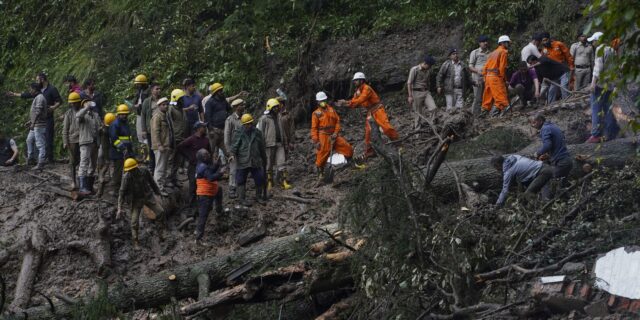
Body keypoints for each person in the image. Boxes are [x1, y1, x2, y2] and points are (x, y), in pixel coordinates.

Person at [337, 72, 399, 159]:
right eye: (354, 81)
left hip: (377, 109)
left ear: (362, 80)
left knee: (386, 127)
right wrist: (345, 103)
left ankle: (397, 143)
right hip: (370, 112)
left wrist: (347, 103)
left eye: (356, 80)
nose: (354, 82)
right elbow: (354, 103)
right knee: (368, 133)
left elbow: (361, 100)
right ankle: (370, 152)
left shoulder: (367, 88)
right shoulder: (358, 91)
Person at [116, 158, 166, 249]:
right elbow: (121, 193)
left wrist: (158, 193)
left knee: (161, 212)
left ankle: (160, 233)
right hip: (135, 200)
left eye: (132, 170)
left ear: (136, 168)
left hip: (147, 196)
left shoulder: (144, 171)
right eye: (129, 170)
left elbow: (152, 182)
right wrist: (119, 208)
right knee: (134, 222)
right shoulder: (126, 177)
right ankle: (136, 241)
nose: (131, 172)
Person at [311, 92, 357, 184]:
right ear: (318, 102)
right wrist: (316, 141)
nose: (323, 102)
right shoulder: (316, 113)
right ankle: (321, 174)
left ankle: (349, 164)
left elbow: (337, 122)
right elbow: (314, 128)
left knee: (347, 148)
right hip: (323, 135)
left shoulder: (331, 110)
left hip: (333, 135)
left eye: (324, 100)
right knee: (322, 154)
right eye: (321, 101)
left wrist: (336, 133)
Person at [586, 32, 620, 143]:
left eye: (594, 41)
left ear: (598, 40)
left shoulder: (600, 49)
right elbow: (616, 69)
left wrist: (593, 83)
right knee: (608, 108)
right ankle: (610, 133)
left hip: (600, 85)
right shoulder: (612, 50)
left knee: (596, 108)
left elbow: (598, 68)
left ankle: (595, 134)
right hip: (609, 85)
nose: (593, 43)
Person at [230, 114, 268, 207]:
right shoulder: (238, 132)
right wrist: (232, 155)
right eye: (247, 124)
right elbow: (234, 146)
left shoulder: (257, 132)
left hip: (255, 159)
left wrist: (264, 158)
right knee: (241, 179)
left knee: (259, 178)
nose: (249, 126)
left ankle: (258, 197)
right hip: (243, 160)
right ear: (243, 124)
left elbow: (261, 147)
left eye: (250, 123)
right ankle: (241, 199)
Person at [257, 98, 293, 190]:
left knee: (282, 163)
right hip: (269, 144)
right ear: (270, 108)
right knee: (268, 164)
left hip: (279, 143)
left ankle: (284, 182)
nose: (276, 109)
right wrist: (261, 145)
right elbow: (261, 133)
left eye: (277, 107)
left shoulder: (279, 117)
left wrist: (285, 142)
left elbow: (283, 131)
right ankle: (269, 182)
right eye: (274, 107)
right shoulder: (264, 119)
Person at [194, 148, 224, 245]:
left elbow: (210, 170)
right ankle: (198, 238)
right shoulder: (202, 167)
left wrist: (217, 164)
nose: (209, 156)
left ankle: (219, 211)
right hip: (205, 195)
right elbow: (210, 177)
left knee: (220, 190)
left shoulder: (202, 165)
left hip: (211, 192)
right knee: (203, 216)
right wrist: (221, 173)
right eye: (206, 155)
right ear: (202, 157)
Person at [529, 114, 573, 179]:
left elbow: (547, 145)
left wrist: (537, 153)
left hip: (561, 162)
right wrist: (548, 155)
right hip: (567, 160)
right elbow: (556, 144)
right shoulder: (552, 126)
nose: (533, 125)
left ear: (540, 121)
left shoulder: (545, 128)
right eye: (531, 123)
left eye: (534, 123)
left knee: (547, 179)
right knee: (561, 184)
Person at [177, 121, 211, 203]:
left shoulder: (206, 140)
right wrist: (188, 157)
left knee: (203, 186)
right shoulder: (191, 139)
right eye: (204, 127)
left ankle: (203, 204)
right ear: (198, 129)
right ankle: (191, 207)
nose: (205, 128)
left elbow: (210, 152)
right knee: (193, 186)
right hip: (193, 166)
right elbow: (180, 147)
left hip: (204, 167)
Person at [482, 35, 511, 117]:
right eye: (507, 42)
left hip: (488, 76)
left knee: (488, 96)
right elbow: (502, 67)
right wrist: (503, 78)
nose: (508, 44)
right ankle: (495, 115)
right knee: (501, 96)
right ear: (502, 43)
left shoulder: (493, 52)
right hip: (495, 77)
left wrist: (485, 76)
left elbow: (485, 66)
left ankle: (484, 112)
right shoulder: (503, 52)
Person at [76, 99, 101, 195]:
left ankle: (89, 187)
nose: (90, 103)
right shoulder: (82, 114)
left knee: (93, 165)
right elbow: (78, 116)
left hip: (95, 143)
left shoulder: (95, 115)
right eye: (87, 102)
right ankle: (82, 187)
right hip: (85, 142)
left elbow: (98, 127)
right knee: (84, 163)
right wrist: (86, 108)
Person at [540, 32, 574, 101]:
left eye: (546, 40)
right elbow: (544, 63)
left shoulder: (559, 44)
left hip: (563, 70)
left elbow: (568, 56)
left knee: (564, 87)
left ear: (549, 39)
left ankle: (567, 103)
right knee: (552, 90)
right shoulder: (544, 50)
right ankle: (550, 106)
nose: (545, 42)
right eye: (543, 41)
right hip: (554, 73)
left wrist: (571, 66)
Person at [109, 104, 135, 193]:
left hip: (127, 151)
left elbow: (128, 138)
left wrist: (130, 150)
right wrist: (123, 148)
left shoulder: (126, 123)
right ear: (118, 114)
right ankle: (115, 189)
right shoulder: (115, 124)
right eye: (122, 114)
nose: (124, 116)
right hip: (118, 152)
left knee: (128, 170)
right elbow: (114, 139)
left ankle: (125, 188)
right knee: (118, 171)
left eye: (126, 114)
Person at [407, 55, 437, 128]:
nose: (430, 67)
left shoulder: (428, 71)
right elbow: (409, 83)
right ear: (425, 63)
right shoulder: (415, 69)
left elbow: (428, 82)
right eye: (429, 65)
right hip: (416, 93)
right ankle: (417, 132)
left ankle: (432, 126)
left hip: (426, 92)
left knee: (433, 108)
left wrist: (428, 91)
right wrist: (410, 96)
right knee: (418, 113)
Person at [224, 99, 246, 199]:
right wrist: (229, 151)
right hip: (234, 148)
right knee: (233, 169)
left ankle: (240, 187)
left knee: (242, 168)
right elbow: (227, 136)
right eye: (241, 105)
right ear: (236, 107)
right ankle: (232, 189)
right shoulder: (230, 120)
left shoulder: (245, 118)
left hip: (244, 148)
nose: (243, 106)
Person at [168, 89, 188, 188]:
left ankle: (174, 179)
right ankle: (168, 180)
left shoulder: (181, 109)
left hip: (181, 138)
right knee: (171, 160)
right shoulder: (170, 109)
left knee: (178, 161)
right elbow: (168, 125)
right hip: (174, 139)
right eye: (181, 98)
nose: (183, 100)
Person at [151, 97, 172, 194]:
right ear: (159, 106)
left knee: (164, 167)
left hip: (166, 145)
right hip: (160, 146)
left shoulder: (165, 115)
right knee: (159, 168)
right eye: (163, 105)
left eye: (167, 104)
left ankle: (162, 186)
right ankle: (158, 188)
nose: (166, 106)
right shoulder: (157, 116)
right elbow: (156, 132)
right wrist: (159, 145)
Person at [62, 92, 82, 189]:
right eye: (72, 103)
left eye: (75, 103)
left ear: (79, 102)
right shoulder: (68, 113)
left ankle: (81, 181)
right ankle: (73, 181)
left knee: (82, 161)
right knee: (73, 161)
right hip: (72, 140)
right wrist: (65, 141)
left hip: (83, 140)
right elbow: (65, 129)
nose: (73, 104)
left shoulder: (83, 111)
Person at [140, 83, 161, 173]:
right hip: (150, 130)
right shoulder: (147, 102)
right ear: (152, 90)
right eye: (157, 89)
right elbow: (143, 115)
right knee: (152, 149)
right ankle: (152, 169)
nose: (159, 90)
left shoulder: (162, 100)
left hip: (162, 129)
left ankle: (159, 169)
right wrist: (144, 130)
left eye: (160, 89)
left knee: (161, 149)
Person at [27, 82, 48, 170]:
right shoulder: (37, 97)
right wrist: (30, 121)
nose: (30, 91)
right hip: (36, 124)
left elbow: (38, 112)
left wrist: (33, 123)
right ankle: (31, 159)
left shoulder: (40, 97)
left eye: (31, 89)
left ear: (35, 89)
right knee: (29, 140)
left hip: (39, 125)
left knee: (40, 144)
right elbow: (36, 112)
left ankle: (41, 163)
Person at [469, 36, 491, 115]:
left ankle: (483, 114)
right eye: (483, 41)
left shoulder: (490, 53)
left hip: (487, 77)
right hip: (477, 77)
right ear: (479, 43)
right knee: (477, 97)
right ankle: (474, 115)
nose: (486, 43)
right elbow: (470, 66)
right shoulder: (475, 52)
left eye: (486, 41)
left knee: (486, 96)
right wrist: (478, 71)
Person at [96, 113, 116, 197]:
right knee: (106, 162)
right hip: (105, 148)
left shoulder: (108, 129)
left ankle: (104, 178)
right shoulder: (106, 129)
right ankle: (102, 177)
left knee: (107, 163)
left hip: (107, 148)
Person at [132, 74, 149, 144]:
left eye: (138, 84)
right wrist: (133, 105)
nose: (137, 85)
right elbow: (135, 101)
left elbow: (148, 103)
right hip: (139, 114)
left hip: (146, 115)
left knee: (145, 133)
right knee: (139, 133)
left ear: (143, 84)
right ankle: (143, 149)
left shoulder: (149, 91)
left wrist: (138, 106)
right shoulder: (139, 91)